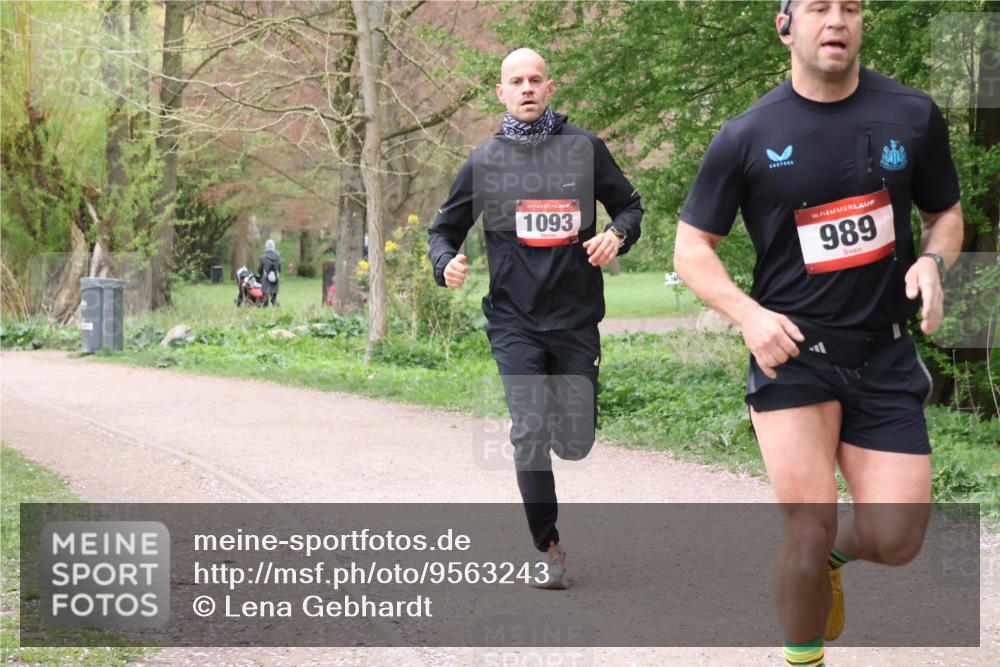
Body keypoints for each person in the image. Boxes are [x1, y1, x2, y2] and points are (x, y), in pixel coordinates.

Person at [673, 1, 963, 664]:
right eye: (818, 7)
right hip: (793, 353)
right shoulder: (746, 134)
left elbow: (944, 212)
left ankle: (836, 557)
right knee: (804, 531)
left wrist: (931, 259)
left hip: (885, 349)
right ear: (786, 26)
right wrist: (748, 314)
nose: (836, 18)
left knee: (898, 538)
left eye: (851, 7)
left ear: (862, 25)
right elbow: (692, 248)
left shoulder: (911, 114)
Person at [429, 47, 642, 589]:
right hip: (513, 323)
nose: (526, 88)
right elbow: (443, 231)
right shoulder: (485, 161)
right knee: (528, 432)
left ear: (550, 89)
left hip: (574, 320)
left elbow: (630, 207)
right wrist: (444, 263)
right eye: (515, 81)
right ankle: (547, 548)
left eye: (535, 80)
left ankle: (569, 435)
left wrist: (616, 235)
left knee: (573, 441)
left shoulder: (584, 148)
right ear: (501, 93)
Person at [258, 239, 281, 307]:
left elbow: (260, 270)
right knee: (273, 299)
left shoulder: (263, 257)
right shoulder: (278, 256)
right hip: (275, 280)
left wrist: (259, 274)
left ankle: (264, 306)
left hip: (265, 281)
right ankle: (277, 308)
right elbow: (279, 268)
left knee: (265, 300)